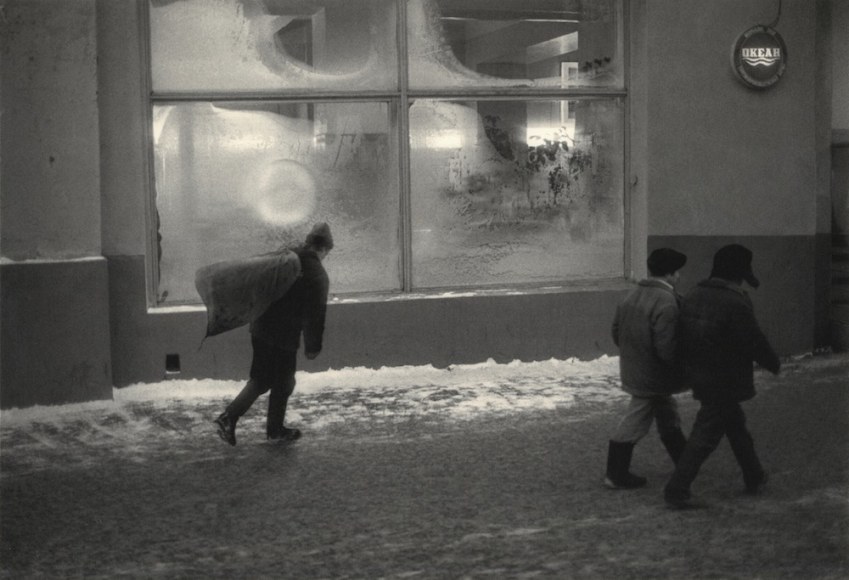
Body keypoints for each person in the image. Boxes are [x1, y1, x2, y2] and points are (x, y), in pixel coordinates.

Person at [664, 244, 781, 508]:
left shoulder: (694, 294)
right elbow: (753, 340)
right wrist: (772, 363)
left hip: (700, 374)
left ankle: (754, 475)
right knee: (705, 436)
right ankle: (677, 489)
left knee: (735, 426)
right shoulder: (736, 301)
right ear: (739, 272)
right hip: (725, 379)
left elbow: (681, 337)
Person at [214, 222, 333, 445]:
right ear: (324, 249)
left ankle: (250, 422)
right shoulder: (317, 274)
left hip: (260, 327)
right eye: (327, 252)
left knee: (263, 379)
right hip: (283, 336)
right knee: (281, 382)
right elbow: (315, 315)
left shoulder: (287, 255)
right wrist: (313, 346)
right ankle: (259, 425)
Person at [605, 248, 689, 489]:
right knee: (635, 422)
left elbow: (616, 333)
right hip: (654, 376)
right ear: (672, 274)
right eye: (678, 272)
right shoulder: (667, 302)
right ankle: (615, 473)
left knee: (668, 416)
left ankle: (686, 463)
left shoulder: (631, 296)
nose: (679, 276)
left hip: (637, 369)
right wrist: (683, 368)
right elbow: (667, 348)